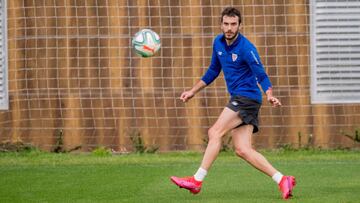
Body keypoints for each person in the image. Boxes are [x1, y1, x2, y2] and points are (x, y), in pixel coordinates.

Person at [170, 7, 296, 200]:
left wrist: (269, 94)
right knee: (242, 150)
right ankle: (282, 179)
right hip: (241, 98)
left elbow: (261, 74)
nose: (229, 28)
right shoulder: (218, 43)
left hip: (247, 98)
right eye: (226, 24)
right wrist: (192, 91)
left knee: (214, 132)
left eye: (233, 24)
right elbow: (213, 70)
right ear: (221, 24)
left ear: (239, 25)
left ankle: (197, 180)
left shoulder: (246, 48)